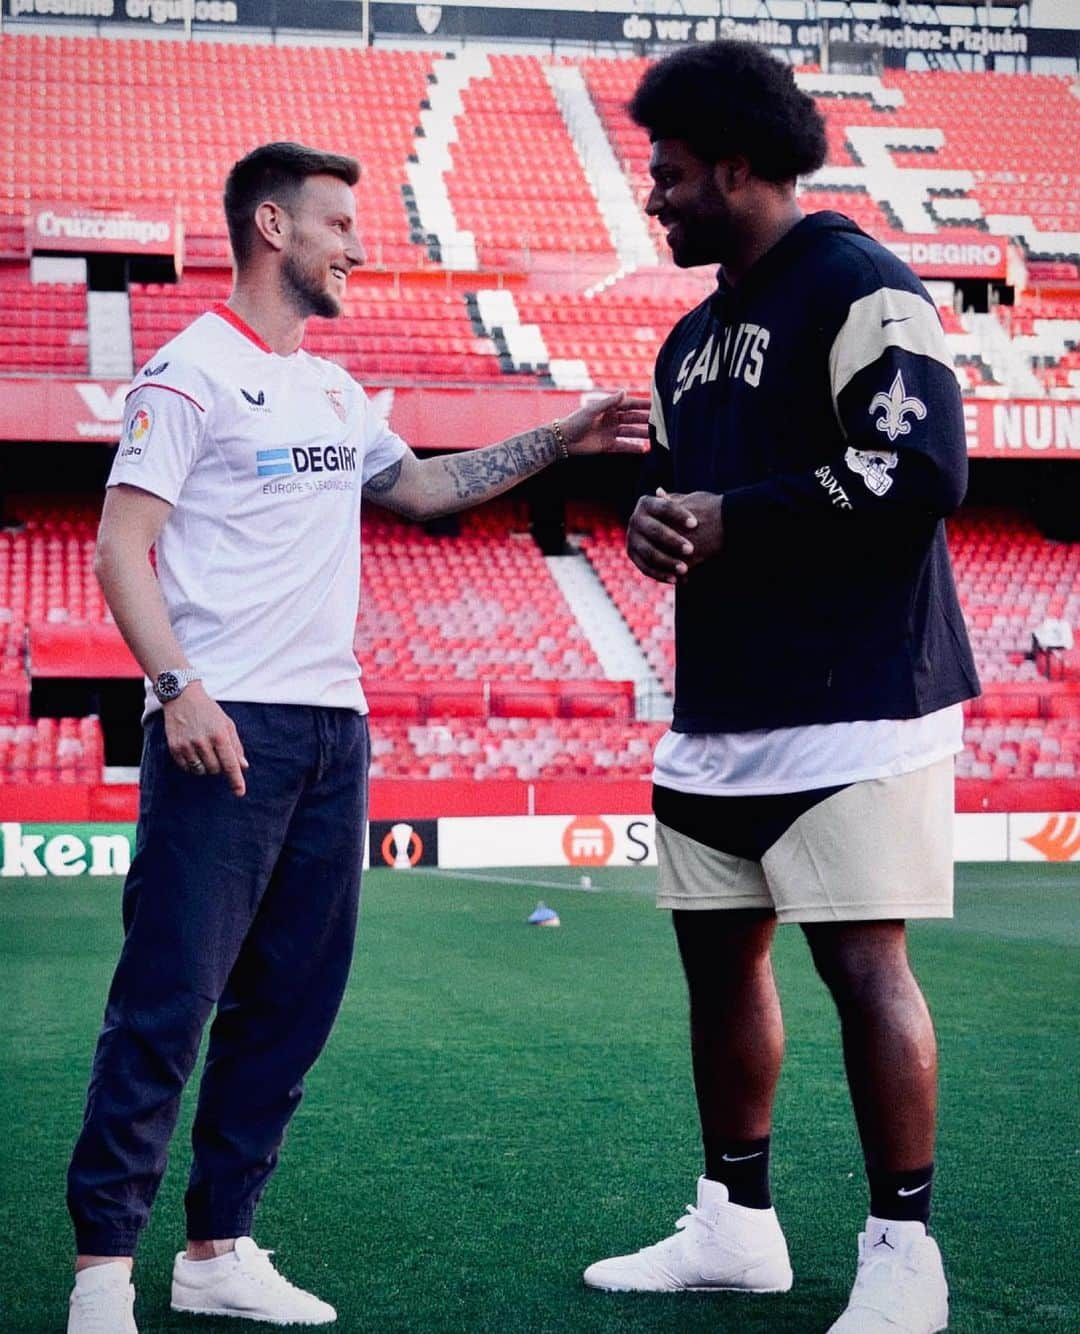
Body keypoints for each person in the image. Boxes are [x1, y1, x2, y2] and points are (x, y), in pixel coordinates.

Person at [66, 140, 648, 1334]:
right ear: (274, 228)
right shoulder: (186, 376)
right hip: (223, 729)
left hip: (336, 732)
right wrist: (179, 687)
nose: (357, 246)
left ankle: (219, 1246)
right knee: (167, 1003)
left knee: (291, 1006)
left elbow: (426, 490)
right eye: (339, 224)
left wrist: (564, 433)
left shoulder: (335, 390)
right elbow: (121, 547)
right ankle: (101, 1278)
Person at [581, 42, 979, 1334]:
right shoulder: (690, 341)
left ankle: (904, 1249)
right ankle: (737, 1225)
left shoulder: (864, 282)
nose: (657, 200)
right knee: (719, 969)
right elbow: (698, 501)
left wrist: (729, 517)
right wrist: (655, 527)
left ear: (740, 166)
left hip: (859, 695)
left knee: (865, 964)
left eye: (674, 174)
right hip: (721, 712)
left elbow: (922, 471)